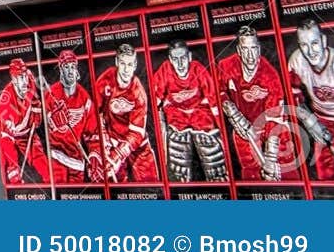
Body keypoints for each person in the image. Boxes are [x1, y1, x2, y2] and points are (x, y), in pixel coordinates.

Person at [215, 26, 293, 181]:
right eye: (245, 49)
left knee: (282, 171)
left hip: (270, 128)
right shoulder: (226, 66)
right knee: (250, 174)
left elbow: (276, 119)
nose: (250, 56)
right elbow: (219, 92)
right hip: (244, 128)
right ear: (238, 50)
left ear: (259, 49)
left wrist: (270, 158)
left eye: (253, 49)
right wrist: (232, 113)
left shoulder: (270, 75)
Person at [150, 39, 227, 182]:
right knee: (178, 169)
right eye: (175, 59)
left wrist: (221, 130)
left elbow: (214, 102)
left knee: (216, 165)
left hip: (202, 119)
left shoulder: (199, 70)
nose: (180, 64)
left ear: (189, 57)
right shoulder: (164, 72)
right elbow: (155, 104)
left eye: (183, 58)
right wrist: (160, 130)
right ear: (170, 60)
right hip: (177, 121)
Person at [93, 43, 159, 182]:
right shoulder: (105, 81)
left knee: (151, 186)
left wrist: (118, 154)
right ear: (117, 61)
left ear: (135, 65)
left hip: (138, 147)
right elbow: (94, 114)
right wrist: (103, 142)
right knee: (117, 190)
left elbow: (136, 134)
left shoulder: (138, 93)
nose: (126, 69)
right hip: (112, 142)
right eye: (122, 63)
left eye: (129, 65)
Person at [44, 50, 104, 183]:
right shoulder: (50, 95)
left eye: (73, 66)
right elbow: (39, 125)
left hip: (77, 162)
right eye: (66, 67)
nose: (70, 71)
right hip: (56, 157)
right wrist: (52, 122)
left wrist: (94, 155)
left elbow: (93, 133)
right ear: (60, 69)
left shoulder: (85, 98)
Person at [287, 19, 334, 180]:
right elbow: (293, 96)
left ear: (323, 41)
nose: (310, 51)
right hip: (322, 119)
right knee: (325, 173)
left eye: (314, 43)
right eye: (304, 45)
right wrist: (310, 122)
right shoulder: (296, 62)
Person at [0, 58, 48, 184]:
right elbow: (5, 133)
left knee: (46, 169)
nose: (24, 81)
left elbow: (34, 97)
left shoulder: (29, 80)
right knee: (12, 175)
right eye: (20, 77)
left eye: (24, 76)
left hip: (27, 134)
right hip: (10, 136)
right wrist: (13, 164)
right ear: (13, 79)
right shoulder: (6, 97)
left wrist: (36, 108)